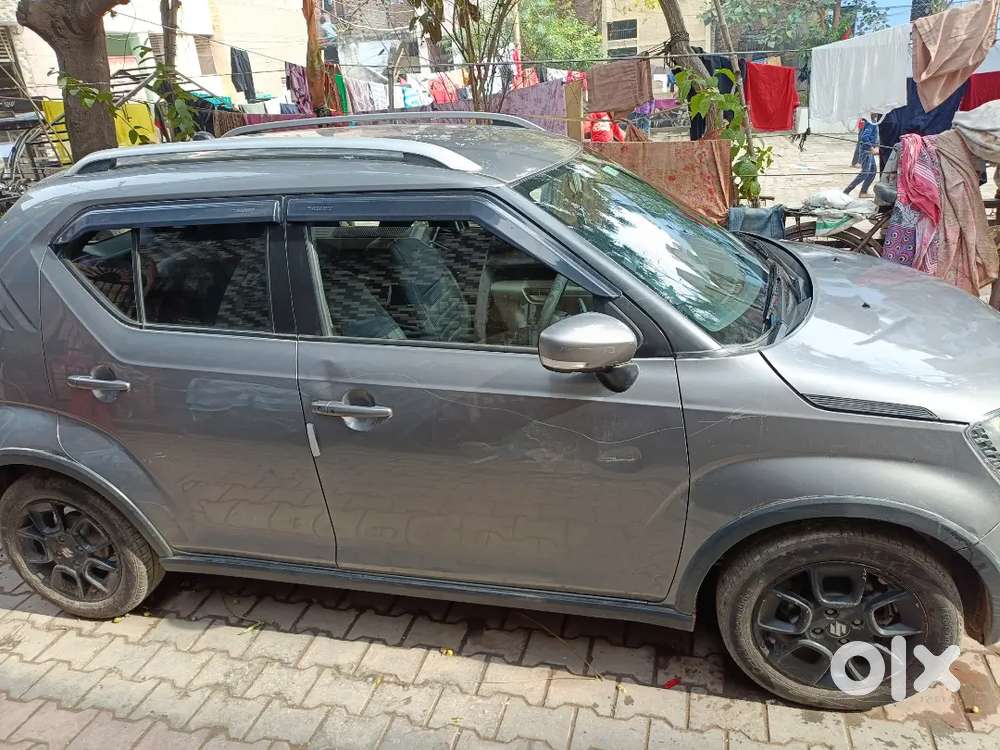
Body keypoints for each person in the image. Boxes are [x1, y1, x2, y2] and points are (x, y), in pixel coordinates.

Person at [845, 116, 880, 197]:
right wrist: (872, 148)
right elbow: (864, 137)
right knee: (865, 173)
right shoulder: (871, 122)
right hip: (866, 151)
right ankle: (846, 191)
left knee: (872, 171)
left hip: (868, 150)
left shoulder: (870, 120)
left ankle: (863, 192)